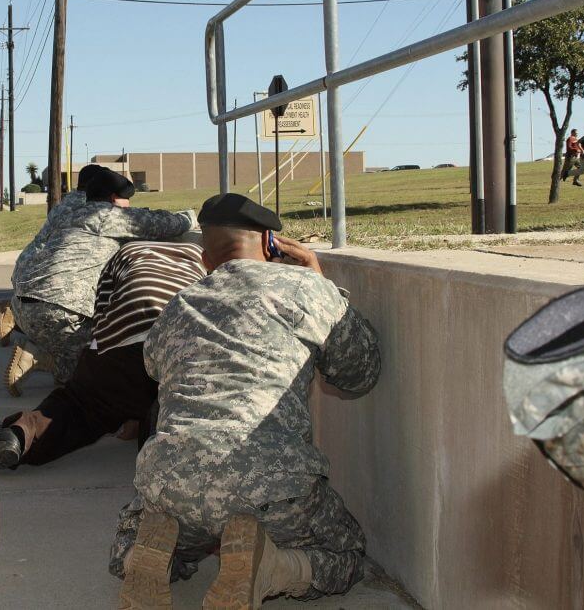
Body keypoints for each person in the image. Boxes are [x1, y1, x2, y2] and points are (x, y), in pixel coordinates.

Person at [110, 193, 382, 609]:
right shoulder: (306, 289)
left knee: (131, 541)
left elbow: (156, 372)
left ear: (204, 258)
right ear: (271, 243)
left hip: (173, 483)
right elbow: (360, 372)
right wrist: (321, 283)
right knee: (344, 555)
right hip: (270, 487)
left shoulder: (178, 307)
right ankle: (271, 566)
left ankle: (149, 557)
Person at [0, 241, 207, 474]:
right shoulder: (205, 261)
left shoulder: (126, 254)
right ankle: (155, 434)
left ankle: (20, 434)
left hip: (125, 344)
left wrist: (102, 383)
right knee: (170, 401)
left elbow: (102, 316)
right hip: (180, 350)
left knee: (80, 406)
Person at [3, 167, 195, 395]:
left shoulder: (71, 213)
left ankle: (46, 351)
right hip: (60, 313)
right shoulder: (109, 216)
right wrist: (192, 216)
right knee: (96, 373)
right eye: (127, 200)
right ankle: (38, 358)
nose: (130, 206)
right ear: (115, 199)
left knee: (82, 352)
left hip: (22, 306)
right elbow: (166, 224)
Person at [0, 164, 105, 347]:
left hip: (24, 275)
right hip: (50, 292)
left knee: (40, 314)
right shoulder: (95, 209)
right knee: (89, 334)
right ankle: (10, 313)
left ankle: (8, 309)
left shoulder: (65, 203)